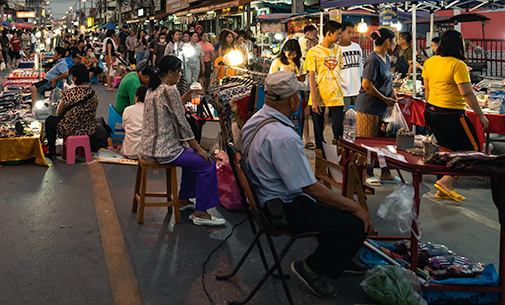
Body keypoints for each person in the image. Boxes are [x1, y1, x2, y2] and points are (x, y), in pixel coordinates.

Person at [241, 71, 371, 299]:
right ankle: (312, 268)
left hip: (267, 200)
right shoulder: (283, 136)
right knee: (354, 223)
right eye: (298, 95)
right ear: (292, 100)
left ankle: (340, 257)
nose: (300, 101)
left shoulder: (255, 120)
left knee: (334, 211)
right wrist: (355, 207)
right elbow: (310, 188)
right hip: (282, 208)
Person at [140, 55, 224, 227]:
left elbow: (172, 108)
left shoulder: (152, 89)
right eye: (178, 72)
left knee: (191, 157)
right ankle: (201, 212)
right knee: (206, 163)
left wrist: (186, 95)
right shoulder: (168, 90)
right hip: (164, 150)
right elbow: (182, 122)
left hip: (148, 147)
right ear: (170, 72)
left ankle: (184, 199)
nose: (180, 76)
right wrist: (199, 148)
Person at [422, 29, 489, 203]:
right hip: (451, 113)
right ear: (459, 46)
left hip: (431, 111)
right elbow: (467, 93)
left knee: (446, 149)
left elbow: (427, 90)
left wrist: (433, 107)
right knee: (473, 150)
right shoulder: (457, 65)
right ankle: (446, 181)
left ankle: (444, 186)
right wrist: (481, 116)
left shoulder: (430, 62)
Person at [355, 28, 398, 184]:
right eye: (394, 41)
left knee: (382, 142)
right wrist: (384, 99)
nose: (395, 44)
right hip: (369, 108)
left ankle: (385, 172)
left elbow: (387, 81)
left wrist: (392, 94)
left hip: (382, 107)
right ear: (387, 42)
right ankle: (366, 173)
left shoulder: (385, 57)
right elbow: (367, 85)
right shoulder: (373, 60)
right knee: (368, 143)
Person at [44, 63, 98, 160]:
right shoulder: (94, 93)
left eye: (72, 76)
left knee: (50, 120)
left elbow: (59, 113)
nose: (71, 78)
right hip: (88, 128)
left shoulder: (70, 93)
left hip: (70, 128)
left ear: (75, 77)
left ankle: (51, 151)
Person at [305, 20, 344, 152]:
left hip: (336, 96)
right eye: (338, 34)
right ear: (329, 33)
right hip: (318, 96)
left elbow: (339, 71)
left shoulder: (339, 50)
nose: (340, 37)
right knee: (318, 130)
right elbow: (311, 76)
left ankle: (339, 158)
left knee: (338, 129)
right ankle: (321, 162)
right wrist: (314, 100)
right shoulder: (313, 52)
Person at [338, 22, 363, 110]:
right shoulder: (335, 49)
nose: (352, 35)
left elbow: (361, 66)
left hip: (357, 89)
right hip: (342, 91)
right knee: (344, 116)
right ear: (341, 33)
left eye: (353, 32)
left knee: (359, 115)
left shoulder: (357, 47)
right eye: (349, 32)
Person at [121, 85, 147, 160]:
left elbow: (124, 127)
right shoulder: (152, 111)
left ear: (136, 97)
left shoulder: (127, 110)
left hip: (129, 152)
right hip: (146, 154)